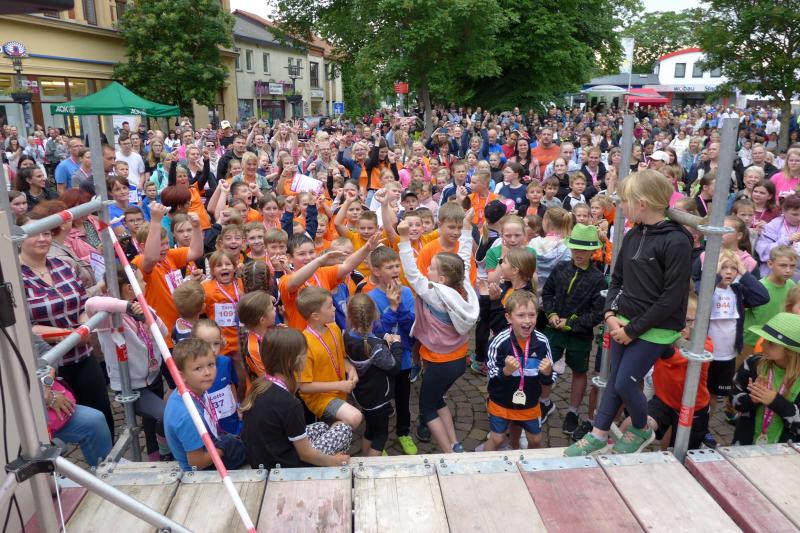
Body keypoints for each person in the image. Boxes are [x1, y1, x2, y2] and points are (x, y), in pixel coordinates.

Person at [565, 169, 693, 457]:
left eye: (624, 201)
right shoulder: (634, 233)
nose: (620, 206)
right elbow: (617, 279)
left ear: (642, 203)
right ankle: (599, 434)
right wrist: (610, 314)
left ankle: (641, 428)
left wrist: (631, 330)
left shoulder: (676, 241)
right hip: (623, 321)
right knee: (615, 379)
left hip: (656, 328)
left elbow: (671, 298)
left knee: (625, 381)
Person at [19, 213, 114, 438]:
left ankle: (106, 457)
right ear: (19, 238)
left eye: (46, 233)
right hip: (46, 366)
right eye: (34, 234)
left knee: (102, 414)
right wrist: (69, 335)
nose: (42, 239)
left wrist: (84, 326)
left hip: (82, 354)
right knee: (53, 427)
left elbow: (83, 303)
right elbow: (23, 326)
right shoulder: (15, 278)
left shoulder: (62, 266)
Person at [397, 208, 479, 453]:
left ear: (442, 278)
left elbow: (412, 273)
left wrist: (403, 239)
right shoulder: (463, 285)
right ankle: (455, 443)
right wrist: (466, 228)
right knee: (438, 399)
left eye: (431, 269)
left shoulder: (435, 295)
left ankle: (448, 453)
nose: (427, 271)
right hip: (458, 359)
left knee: (428, 407)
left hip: (439, 361)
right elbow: (463, 258)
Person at [87, 268, 171, 461]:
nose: (145, 284)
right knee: (165, 415)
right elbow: (90, 304)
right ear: (129, 289)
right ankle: (167, 453)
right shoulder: (109, 318)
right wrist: (126, 307)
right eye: (141, 280)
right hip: (132, 387)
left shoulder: (142, 306)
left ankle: (155, 459)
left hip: (153, 377)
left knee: (151, 426)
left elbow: (164, 333)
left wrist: (149, 317)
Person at [240, 328, 352, 469]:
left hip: (265, 457)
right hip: (284, 467)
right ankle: (325, 471)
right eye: (305, 354)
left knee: (324, 426)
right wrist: (333, 461)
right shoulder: (290, 403)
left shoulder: (260, 385)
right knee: (344, 429)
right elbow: (306, 454)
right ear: (292, 362)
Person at [541, 224, 607, 436]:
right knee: (546, 364)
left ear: (592, 251)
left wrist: (571, 323)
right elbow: (548, 293)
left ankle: (573, 411)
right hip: (554, 329)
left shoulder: (598, 279)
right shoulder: (560, 268)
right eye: (576, 248)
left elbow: (597, 313)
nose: (579, 253)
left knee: (579, 371)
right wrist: (551, 314)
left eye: (584, 250)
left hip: (580, 334)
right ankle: (544, 401)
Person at [483, 290, 554, 450]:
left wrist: (547, 373)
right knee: (497, 438)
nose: (527, 321)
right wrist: (506, 371)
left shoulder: (542, 342)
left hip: (529, 402)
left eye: (532, 315)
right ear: (509, 318)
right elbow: (492, 373)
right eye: (521, 315)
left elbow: (549, 377)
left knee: (535, 439)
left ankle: (522, 457)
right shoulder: (499, 342)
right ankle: (483, 462)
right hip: (501, 401)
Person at [164, 338, 247, 471]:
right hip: (202, 472)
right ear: (181, 376)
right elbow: (197, 463)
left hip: (212, 444)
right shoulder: (188, 416)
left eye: (211, 364)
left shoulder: (194, 389)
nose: (208, 372)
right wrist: (225, 447)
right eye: (198, 368)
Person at [367, 246, 418, 455]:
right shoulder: (371, 298)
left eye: (397, 265)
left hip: (403, 356)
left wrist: (400, 306)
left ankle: (403, 432)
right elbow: (377, 332)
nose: (396, 270)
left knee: (403, 398)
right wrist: (392, 308)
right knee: (381, 401)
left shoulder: (406, 293)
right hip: (381, 360)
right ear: (376, 271)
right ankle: (378, 440)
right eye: (389, 267)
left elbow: (411, 327)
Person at [296, 286, 363, 429]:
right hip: (321, 398)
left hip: (340, 391)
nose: (334, 308)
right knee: (354, 417)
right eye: (330, 306)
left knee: (339, 425)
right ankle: (328, 436)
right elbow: (304, 386)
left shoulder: (334, 328)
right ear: (316, 316)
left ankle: (330, 435)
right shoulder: (304, 344)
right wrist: (338, 385)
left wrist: (351, 370)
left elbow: (341, 358)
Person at [344, 294, 403, 456]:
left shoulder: (346, 335)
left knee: (370, 429)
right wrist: (396, 344)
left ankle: (364, 459)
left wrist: (382, 338)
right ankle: (369, 465)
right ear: (376, 315)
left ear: (350, 317)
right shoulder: (375, 346)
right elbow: (394, 366)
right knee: (380, 436)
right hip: (378, 397)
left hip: (362, 394)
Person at [732, 313, 800, 445]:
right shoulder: (752, 364)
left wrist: (775, 401)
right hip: (744, 445)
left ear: (790, 351)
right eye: (764, 339)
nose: (762, 344)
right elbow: (733, 400)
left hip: (785, 453)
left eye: (771, 343)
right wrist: (752, 399)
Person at [192, 320, 243, 436]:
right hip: (209, 429)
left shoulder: (226, 362)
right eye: (206, 344)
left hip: (230, 422)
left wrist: (237, 406)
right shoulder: (191, 372)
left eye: (216, 343)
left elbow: (230, 385)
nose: (213, 349)